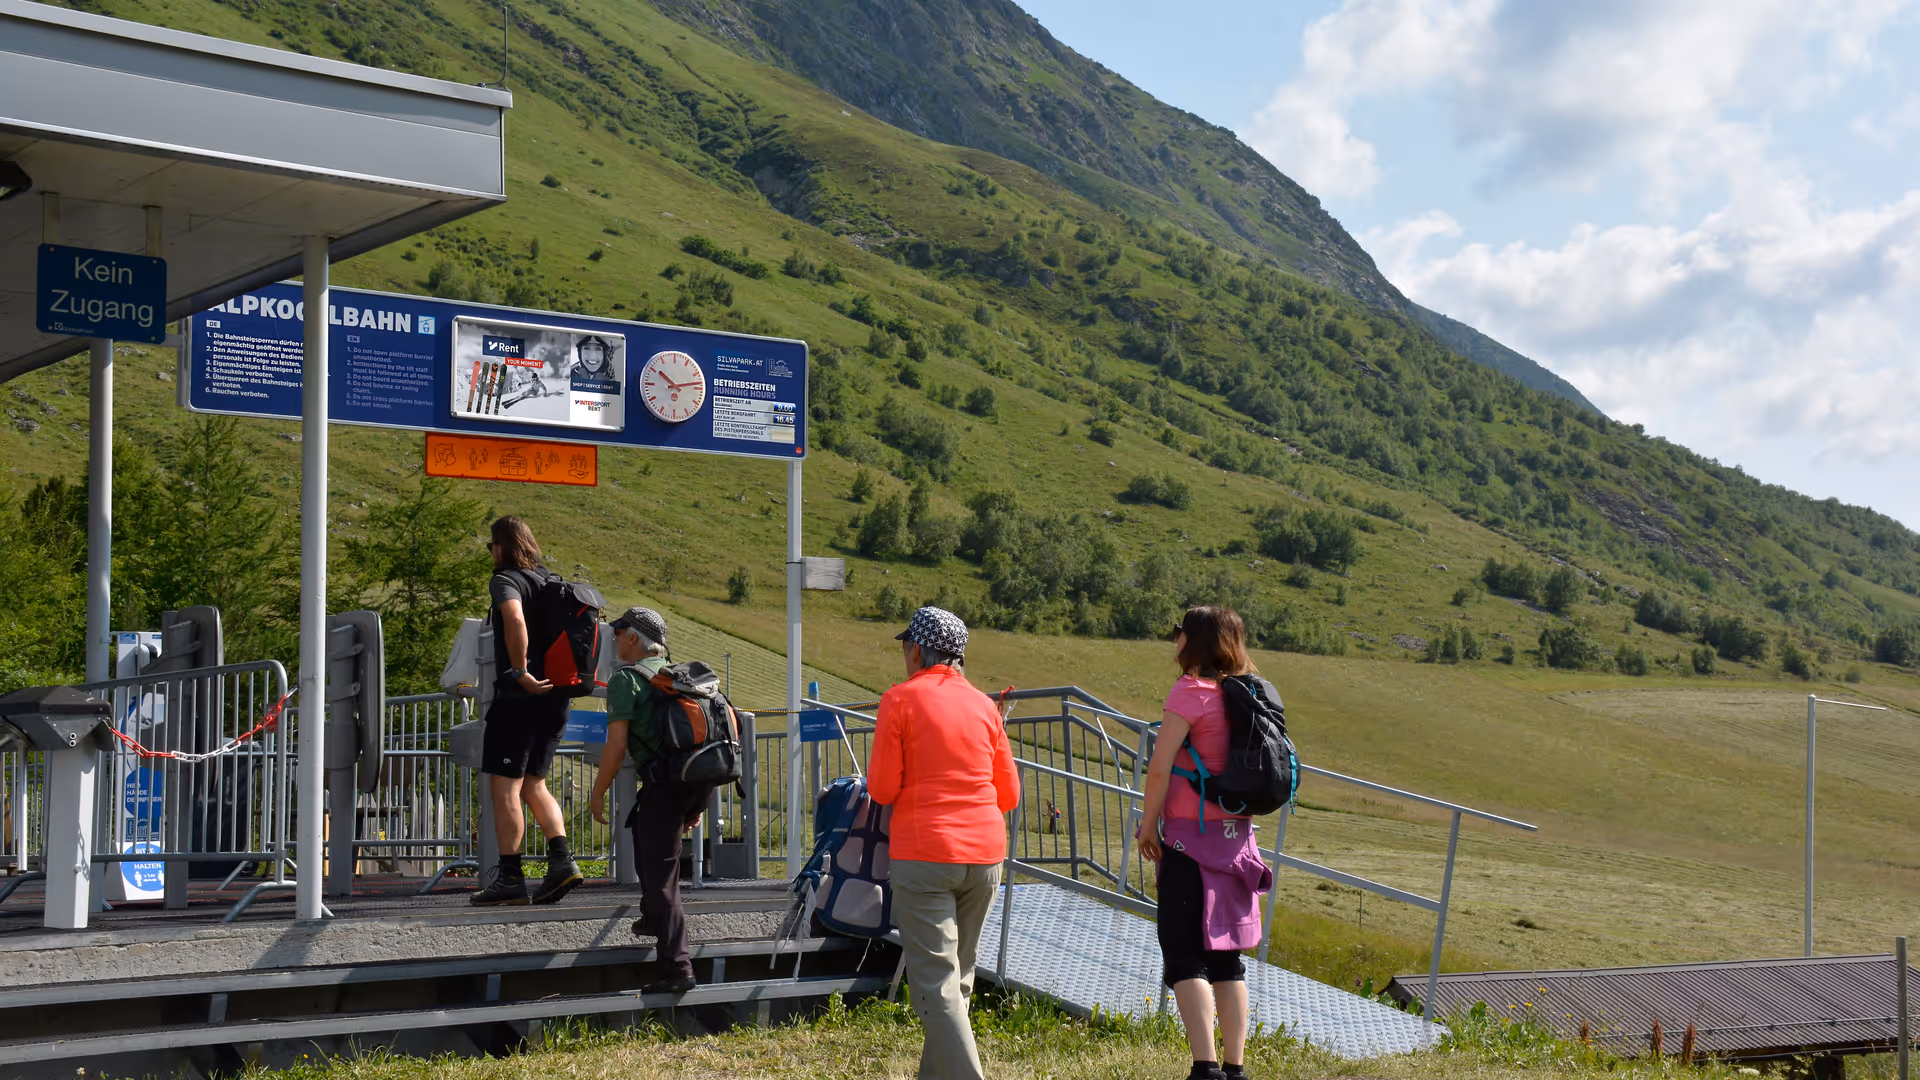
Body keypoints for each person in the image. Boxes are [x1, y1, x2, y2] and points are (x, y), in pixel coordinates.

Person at [869, 607, 1020, 1080]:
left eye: (905, 648)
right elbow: (1009, 794)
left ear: (917, 650)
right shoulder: (983, 706)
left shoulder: (899, 700)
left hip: (925, 852)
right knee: (958, 978)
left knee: (935, 984)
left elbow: (882, 789)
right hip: (986, 854)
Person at [1136, 606, 1272, 1080]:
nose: (1174, 640)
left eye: (1180, 633)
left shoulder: (1190, 691)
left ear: (1195, 641)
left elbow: (1159, 767)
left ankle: (1205, 1067)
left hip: (1189, 846)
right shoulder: (1248, 694)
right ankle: (1234, 1069)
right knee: (1227, 958)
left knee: (1182, 954)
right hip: (1238, 846)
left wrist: (1148, 824)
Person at [588, 606, 709, 994]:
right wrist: (698, 803)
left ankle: (677, 969)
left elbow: (616, 745)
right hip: (696, 781)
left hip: (665, 784)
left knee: (662, 881)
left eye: (618, 631)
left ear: (634, 638)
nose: (614, 637)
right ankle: (652, 919)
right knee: (643, 830)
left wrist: (597, 792)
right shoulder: (680, 676)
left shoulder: (628, 680)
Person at [471, 516, 584, 906]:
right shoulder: (551, 581)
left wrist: (519, 671)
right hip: (556, 699)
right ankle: (562, 860)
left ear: (502, 547)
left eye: (491, 546)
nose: (490, 552)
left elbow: (514, 617)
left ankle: (510, 878)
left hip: (520, 699)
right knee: (535, 783)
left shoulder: (507, 579)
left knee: (505, 787)